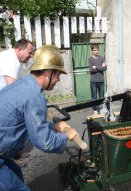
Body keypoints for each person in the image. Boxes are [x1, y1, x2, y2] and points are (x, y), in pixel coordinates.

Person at [0, 45, 78, 190]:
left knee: (15, 173)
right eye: (58, 74)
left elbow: (30, 123)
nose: (59, 80)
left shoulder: (25, 83)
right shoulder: (34, 95)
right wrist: (66, 136)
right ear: (49, 72)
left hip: (3, 154)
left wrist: (52, 126)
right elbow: (44, 142)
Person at [88, 44, 107, 114]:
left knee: (101, 96)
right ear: (92, 51)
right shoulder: (90, 59)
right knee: (94, 96)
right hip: (93, 80)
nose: (96, 51)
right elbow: (91, 70)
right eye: (94, 50)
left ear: (99, 50)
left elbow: (105, 68)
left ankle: (101, 109)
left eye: (97, 50)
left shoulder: (102, 58)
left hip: (101, 80)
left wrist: (96, 67)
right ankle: (95, 109)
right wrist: (100, 67)